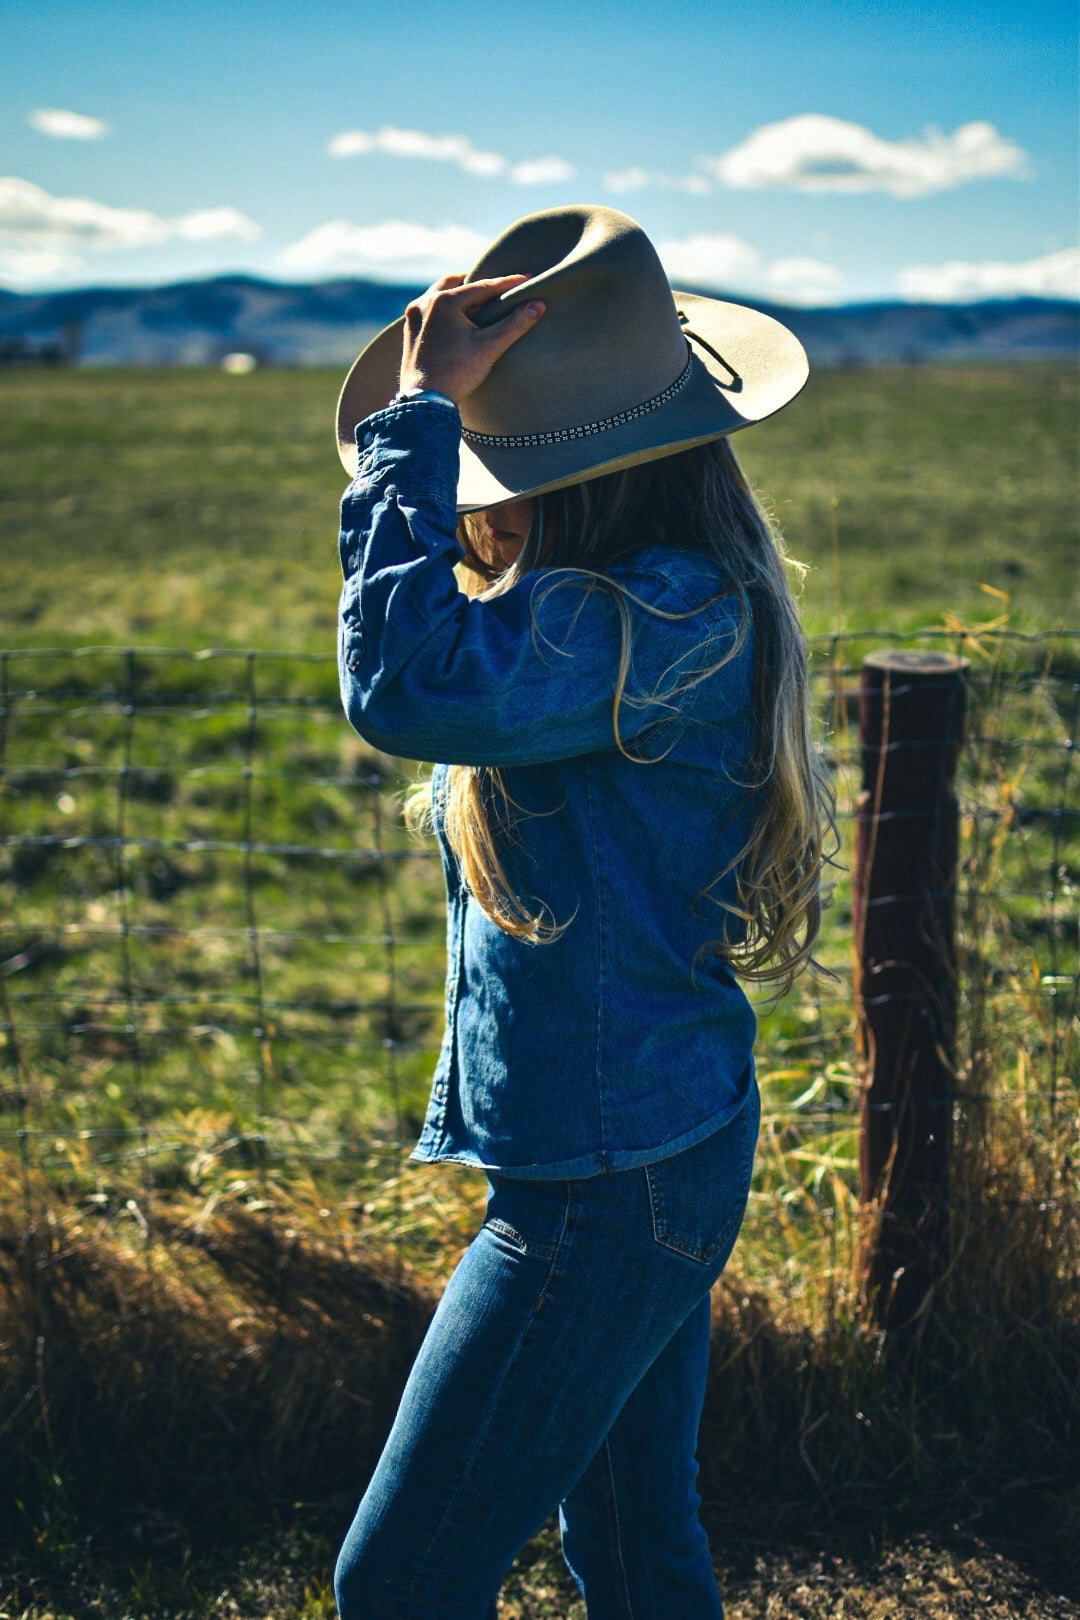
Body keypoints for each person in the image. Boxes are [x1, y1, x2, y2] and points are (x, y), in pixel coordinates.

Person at [331, 205, 830, 1620]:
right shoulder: (613, 610)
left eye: (492, 461)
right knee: (628, 1543)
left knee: (401, 1586)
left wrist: (421, 416)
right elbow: (434, 659)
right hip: (627, 1150)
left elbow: (406, 686)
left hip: (611, 1182)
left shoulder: (651, 620)